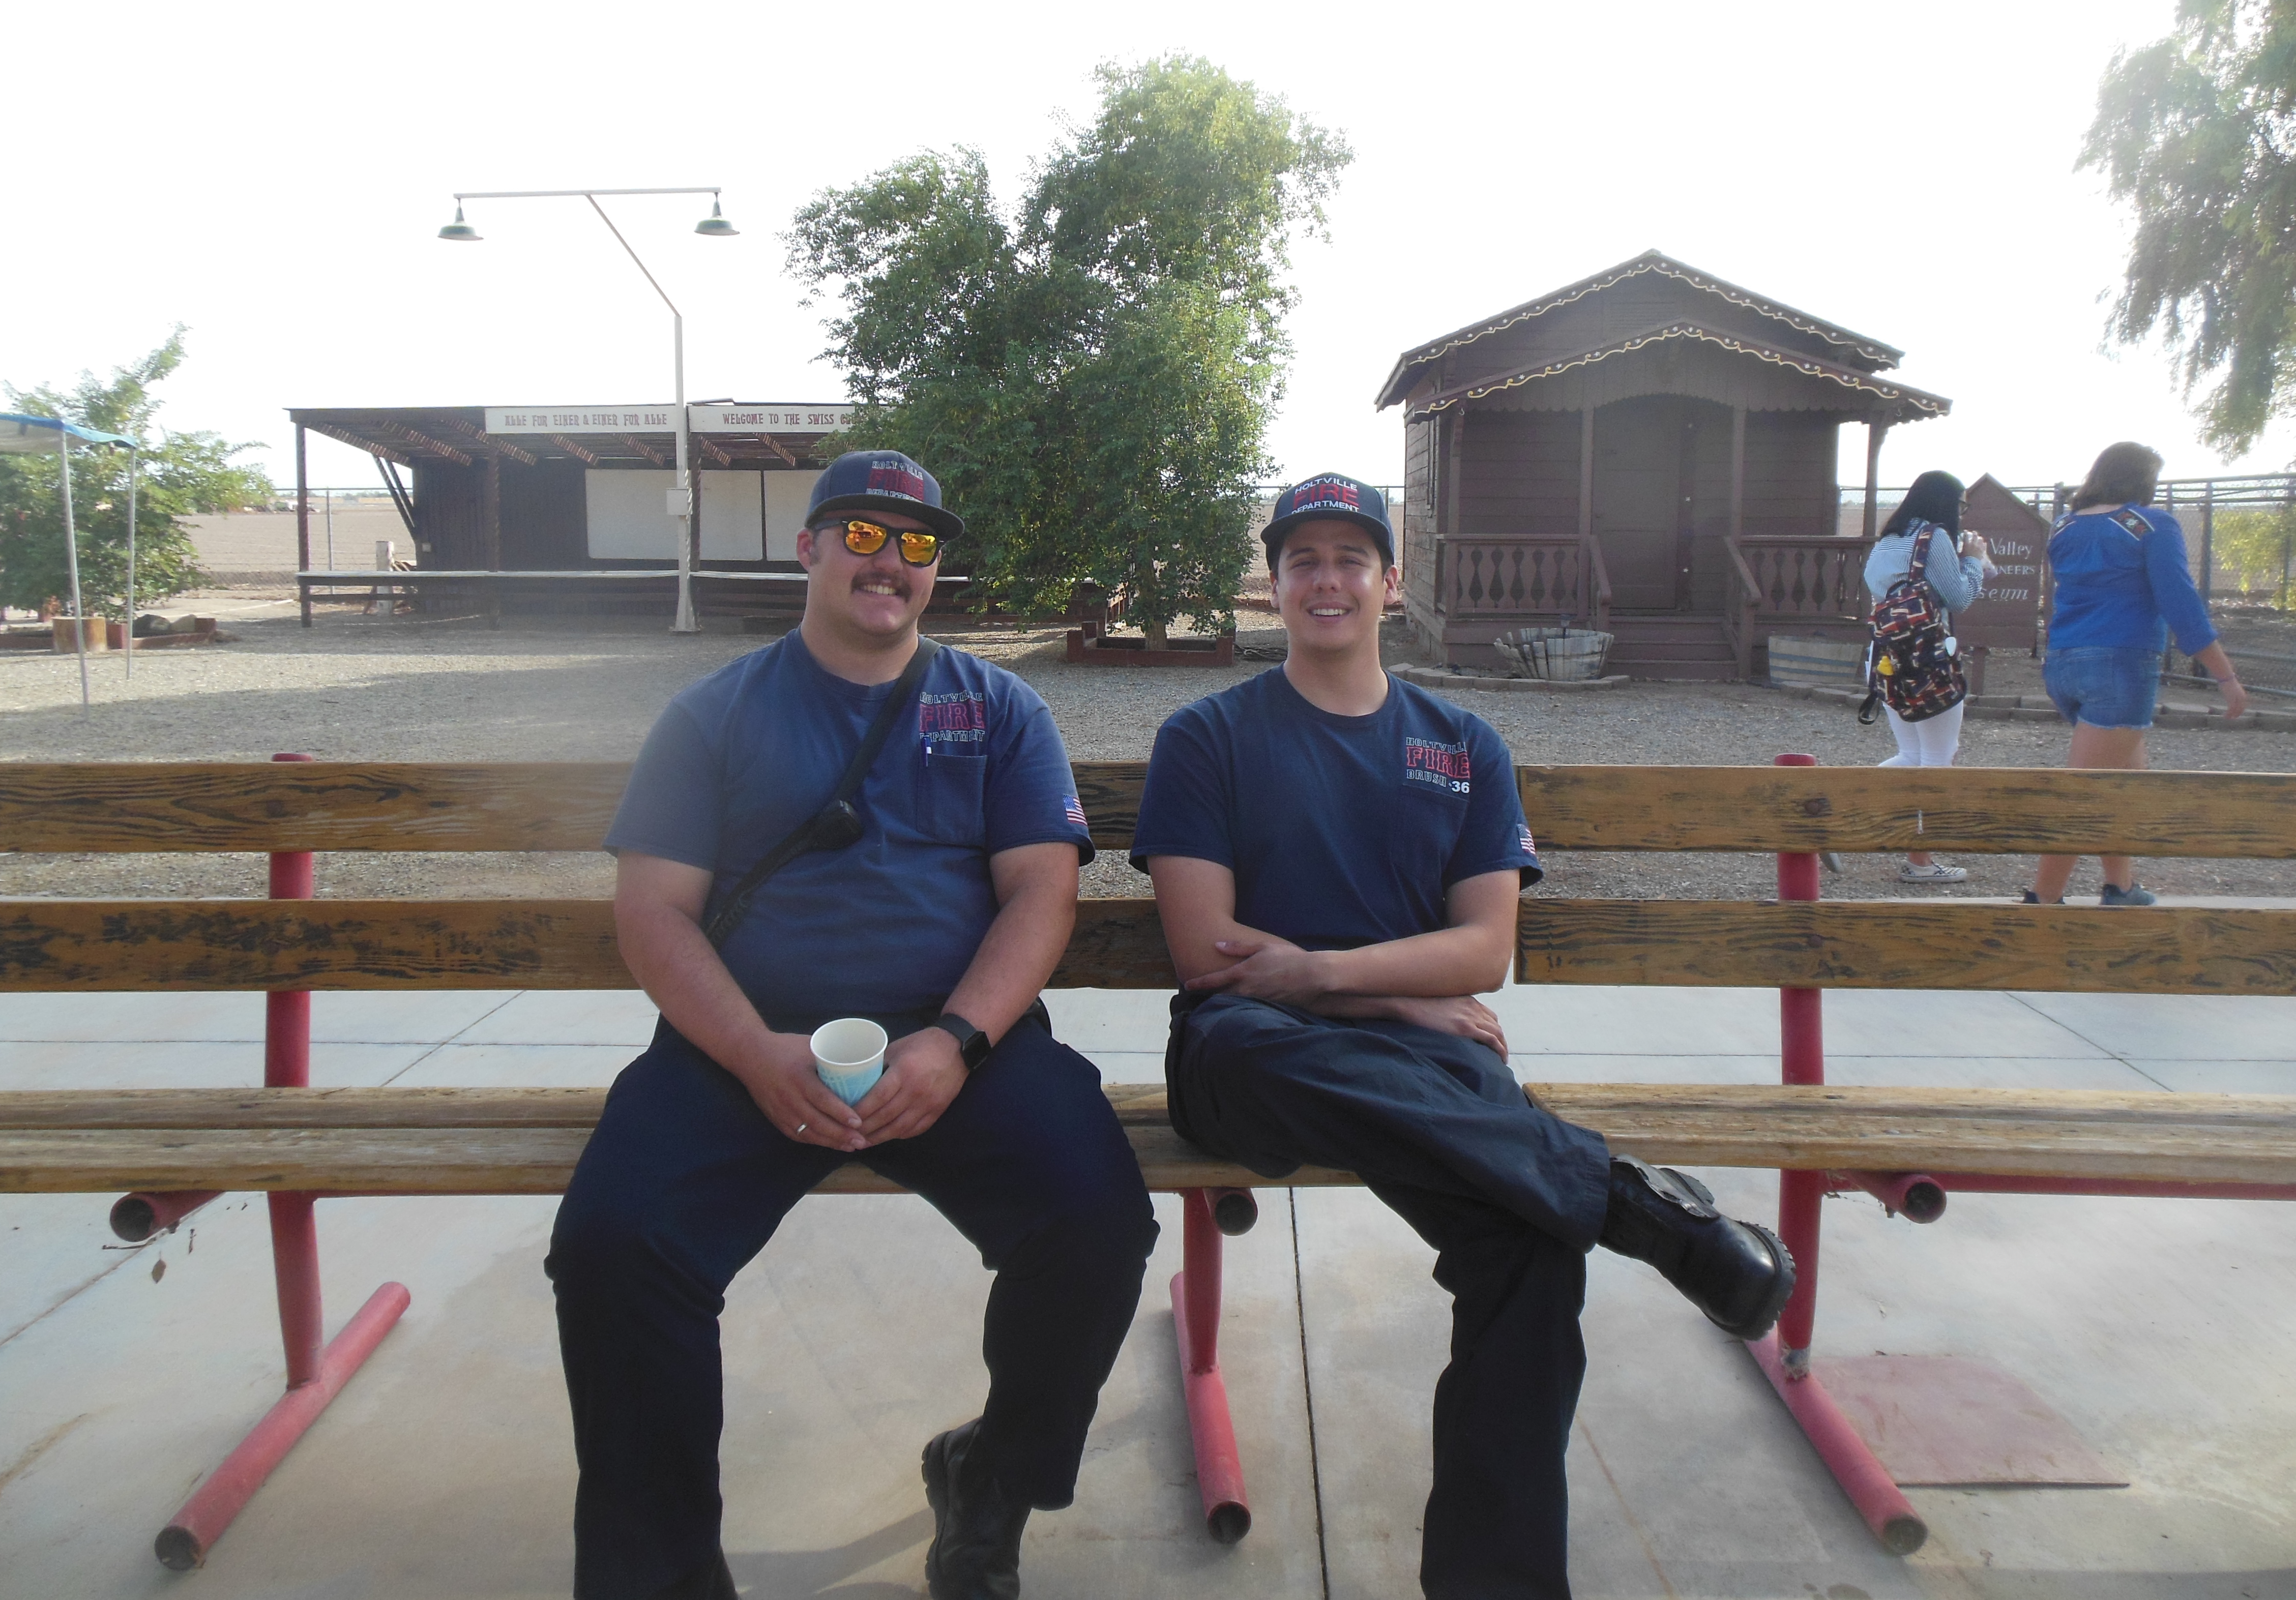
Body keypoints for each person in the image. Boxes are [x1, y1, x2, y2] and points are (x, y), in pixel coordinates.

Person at [1133, 472, 1795, 1600]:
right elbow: (1209, 955)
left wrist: (1328, 973)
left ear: (1391, 584)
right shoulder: (1208, 736)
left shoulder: (1462, 744)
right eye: (1303, 561)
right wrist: (1393, 996)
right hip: (1253, 1053)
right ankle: (1631, 1203)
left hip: (1422, 1066)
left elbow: (1484, 950)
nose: (1327, 580)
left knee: (1531, 1252)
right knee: (1243, 1045)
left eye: (1351, 559)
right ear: (1274, 584)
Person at [548, 449, 1160, 1600]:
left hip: (954, 1042)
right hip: (745, 1045)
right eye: (864, 535)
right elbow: (653, 911)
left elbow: (1041, 892)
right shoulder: (714, 713)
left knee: (1095, 1224)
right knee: (614, 1248)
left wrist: (959, 1042)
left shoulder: (1000, 708)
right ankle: (661, 1576)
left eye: (916, 543)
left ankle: (989, 1478)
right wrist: (750, 1051)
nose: (890, 562)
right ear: (809, 550)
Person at [2027, 441, 2247, 906]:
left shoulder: (2065, 527)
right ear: (2144, 481)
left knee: (2125, 780)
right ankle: (2041, 903)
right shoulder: (2150, 525)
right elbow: (2181, 604)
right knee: (2083, 794)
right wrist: (2225, 677)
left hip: (2064, 662)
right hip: (2121, 666)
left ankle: (2121, 886)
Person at [1862, 470, 1993, 884]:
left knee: (1912, 755)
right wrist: (1973, 559)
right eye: (1961, 505)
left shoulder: (1888, 540)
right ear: (1946, 503)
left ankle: (1831, 808)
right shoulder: (1933, 538)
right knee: (1938, 758)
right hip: (1928, 662)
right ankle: (1921, 863)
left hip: (1887, 660)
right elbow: (1960, 598)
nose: (1962, 513)